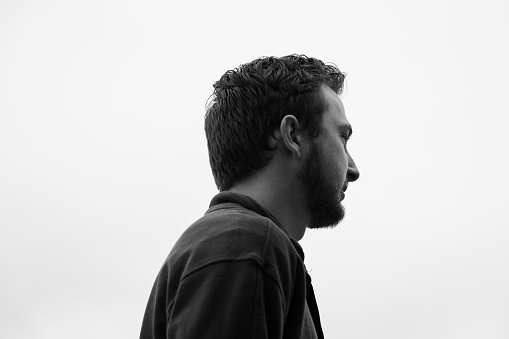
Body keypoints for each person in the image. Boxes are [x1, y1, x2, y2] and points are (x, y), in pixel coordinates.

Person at [140, 54, 360, 339]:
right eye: (343, 137)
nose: (353, 169)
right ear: (292, 135)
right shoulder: (246, 244)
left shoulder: (242, 243)